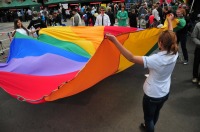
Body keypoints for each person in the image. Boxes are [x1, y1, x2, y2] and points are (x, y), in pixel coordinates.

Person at [106, 14, 178, 132]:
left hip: (152, 95)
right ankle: (151, 126)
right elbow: (171, 34)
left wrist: (115, 41)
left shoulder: (155, 60)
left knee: (148, 118)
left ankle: (149, 128)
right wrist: (169, 21)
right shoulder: (174, 53)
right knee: (155, 113)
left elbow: (132, 58)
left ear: (160, 43)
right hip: (164, 92)